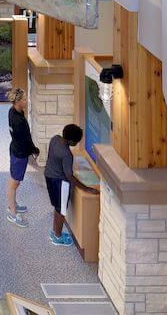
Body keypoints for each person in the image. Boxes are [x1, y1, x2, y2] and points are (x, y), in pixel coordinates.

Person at [45, 123, 99, 246]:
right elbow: (69, 176)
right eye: (77, 141)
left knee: (58, 207)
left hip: (49, 176)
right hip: (60, 183)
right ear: (71, 141)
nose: (77, 143)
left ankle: (54, 231)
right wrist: (87, 189)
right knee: (61, 210)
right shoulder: (67, 155)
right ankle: (57, 237)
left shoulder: (55, 139)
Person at [6, 87, 39, 228]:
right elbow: (24, 139)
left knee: (16, 181)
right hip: (19, 154)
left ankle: (13, 204)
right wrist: (34, 150)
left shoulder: (13, 111)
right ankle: (12, 213)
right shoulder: (18, 121)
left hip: (16, 150)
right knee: (14, 183)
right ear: (18, 101)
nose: (27, 101)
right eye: (24, 99)